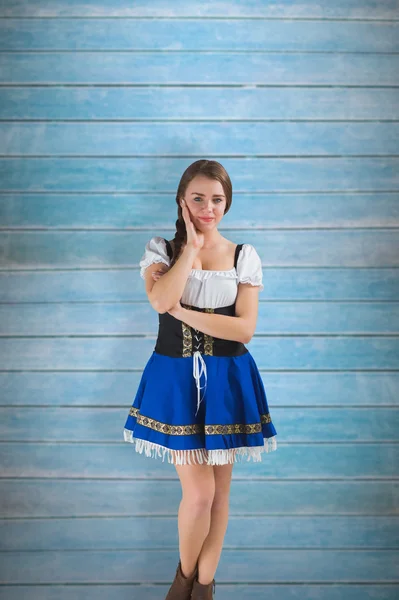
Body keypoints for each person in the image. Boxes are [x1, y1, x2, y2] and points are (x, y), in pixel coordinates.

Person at [123, 159, 277, 599]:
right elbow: (160, 299)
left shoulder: (244, 255)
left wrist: (186, 314)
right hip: (175, 378)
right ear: (181, 199)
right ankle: (184, 580)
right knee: (200, 494)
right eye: (198, 198)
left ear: (227, 203)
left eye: (217, 199)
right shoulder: (162, 250)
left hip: (229, 377)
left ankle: (204, 585)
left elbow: (244, 329)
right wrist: (190, 249)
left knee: (220, 492)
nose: (208, 207)